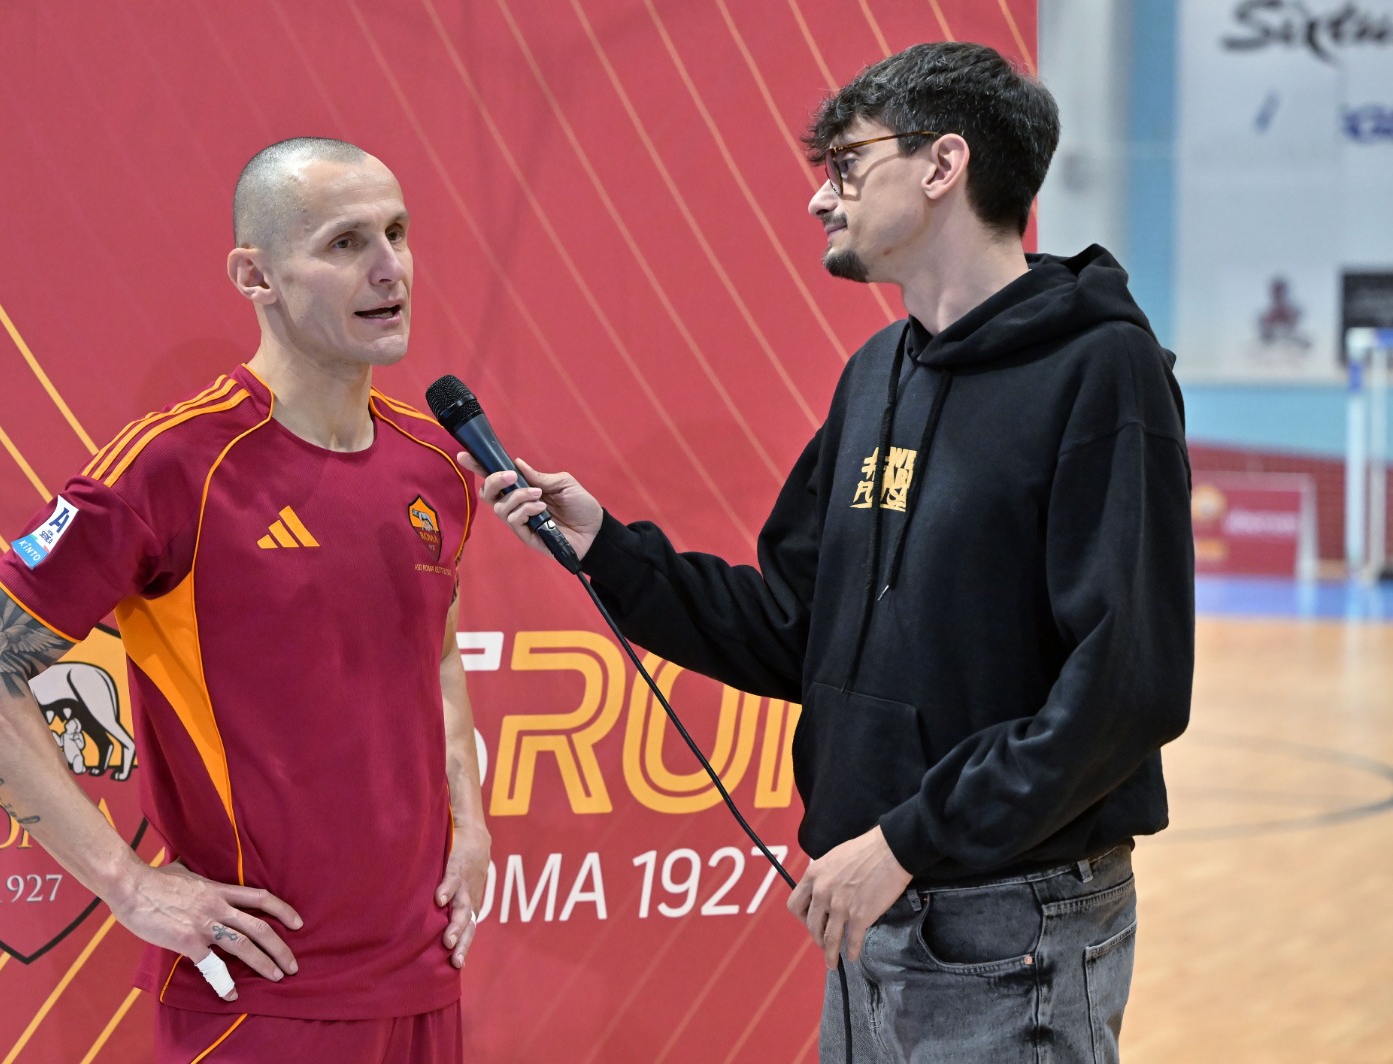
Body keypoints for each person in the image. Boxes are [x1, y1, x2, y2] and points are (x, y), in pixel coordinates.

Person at [466, 42, 1192, 1063]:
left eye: (846, 164)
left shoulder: (1101, 370)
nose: (819, 197)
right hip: (870, 902)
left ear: (943, 165)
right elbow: (793, 626)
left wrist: (907, 838)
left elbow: (1126, 688)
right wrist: (608, 551)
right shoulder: (874, 373)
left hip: (1009, 922)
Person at [0, 138, 489, 1063]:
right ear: (254, 275)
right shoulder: (172, 465)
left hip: (425, 974)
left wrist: (471, 824)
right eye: (345, 243)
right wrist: (127, 885)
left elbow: (437, 653)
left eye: (396, 232)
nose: (390, 268)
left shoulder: (437, 465)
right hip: (257, 994)